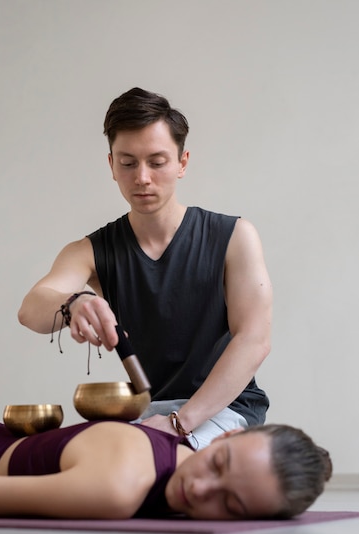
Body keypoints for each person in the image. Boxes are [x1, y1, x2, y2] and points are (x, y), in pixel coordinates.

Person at [18, 87, 273, 448]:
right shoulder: (91, 251)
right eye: (127, 163)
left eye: (157, 162)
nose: (142, 177)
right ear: (111, 166)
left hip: (225, 411)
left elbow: (254, 340)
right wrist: (74, 302)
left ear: (182, 163)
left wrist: (179, 423)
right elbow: (31, 309)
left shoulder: (234, 236)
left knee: (155, 469)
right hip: (149, 415)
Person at [0, 415, 332, 520]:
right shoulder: (120, 487)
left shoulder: (172, 468)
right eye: (216, 464)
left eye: (230, 505)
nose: (200, 490)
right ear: (222, 438)